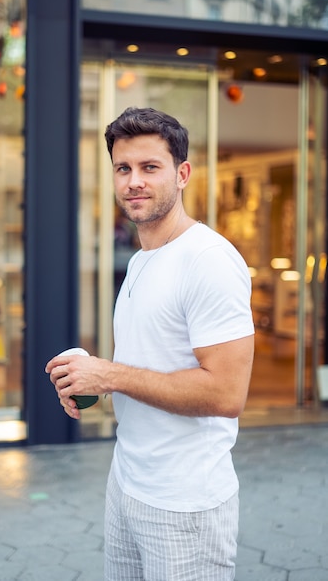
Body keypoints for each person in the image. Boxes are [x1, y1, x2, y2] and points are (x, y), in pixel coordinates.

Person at [46, 107, 255, 581]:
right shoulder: (142, 260)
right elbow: (148, 367)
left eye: (149, 167)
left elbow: (226, 395)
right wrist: (91, 380)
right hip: (128, 480)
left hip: (185, 505)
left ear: (181, 174)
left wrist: (112, 374)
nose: (133, 181)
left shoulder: (209, 261)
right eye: (124, 168)